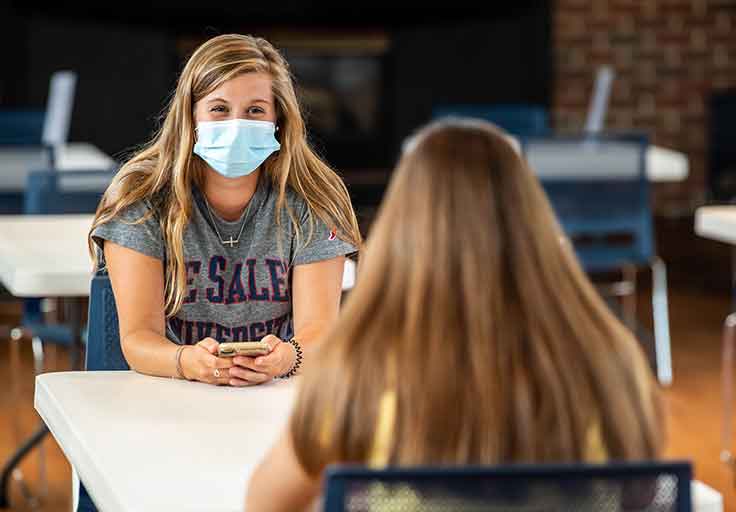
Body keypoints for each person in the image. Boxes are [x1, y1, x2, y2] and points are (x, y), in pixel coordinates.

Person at [245, 118, 663, 511]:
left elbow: (264, 503)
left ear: (400, 235)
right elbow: (640, 494)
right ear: (535, 227)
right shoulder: (612, 365)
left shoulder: (357, 379)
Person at [89, 34, 361, 387]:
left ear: (278, 119)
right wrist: (187, 362)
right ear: (191, 117)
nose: (236, 124)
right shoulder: (141, 197)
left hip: (272, 396)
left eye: (255, 111)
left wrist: (286, 358)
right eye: (219, 108)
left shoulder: (313, 196)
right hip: (164, 393)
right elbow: (139, 338)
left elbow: (319, 332)